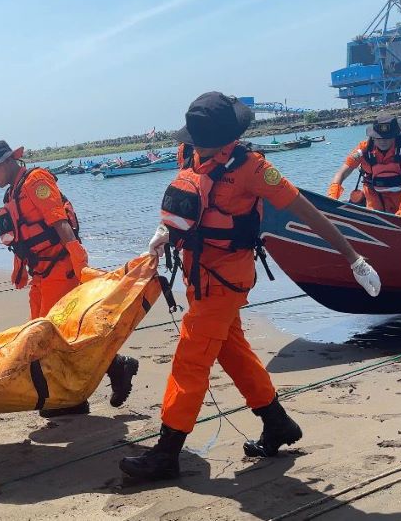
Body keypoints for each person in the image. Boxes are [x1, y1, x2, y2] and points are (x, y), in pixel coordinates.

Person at [120, 92, 382, 482]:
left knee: (191, 359)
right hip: (197, 275)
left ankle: (167, 452)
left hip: (225, 281)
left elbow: (307, 212)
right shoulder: (188, 154)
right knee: (233, 351)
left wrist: (352, 258)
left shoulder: (254, 170)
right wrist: (163, 232)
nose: (192, 143)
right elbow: (187, 204)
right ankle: (277, 423)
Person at [0, 140, 140, 417]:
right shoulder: (11, 194)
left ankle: (86, 390)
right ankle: (89, 385)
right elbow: (21, 240)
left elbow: (59, 221)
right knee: (41, 336)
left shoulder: (35, 181)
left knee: (53, 335)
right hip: (41, 274)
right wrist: (20, 271)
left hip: (60, 270)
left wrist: (79, 263)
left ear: (7, 162)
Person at [327, 114, 401, 223]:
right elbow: (342, 173)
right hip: (375, 196)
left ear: (395, 135)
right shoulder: (362, 150)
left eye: (387, 137)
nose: (383, 141)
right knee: (375, 223)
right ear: (373, 136)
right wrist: (331, 198)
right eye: (378, 138)